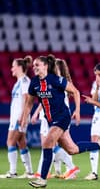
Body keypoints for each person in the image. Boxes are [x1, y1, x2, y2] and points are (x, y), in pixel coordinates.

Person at [19, 54, 81, 188]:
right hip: (50, 120)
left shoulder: (56, 80)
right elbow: (29, 103)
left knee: (47, 143)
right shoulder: (34, 83)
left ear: (45, 66)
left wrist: (77, 111)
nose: (34, 67)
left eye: (37, 65)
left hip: (63, 117)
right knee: (72, 149)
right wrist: (25, 118)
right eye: (33, 65)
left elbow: (75, 91)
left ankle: (42, 179)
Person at [0, 55, 34, 179]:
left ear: (20, 67)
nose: (11, 69)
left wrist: (23, 117)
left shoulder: (24, 81)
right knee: (22, 143)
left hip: (19, 117)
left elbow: (27, 100)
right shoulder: (20, 82)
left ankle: (13, 171)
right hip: (18, 117)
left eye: (13, 66)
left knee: (10, 142)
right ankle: (29, 172)